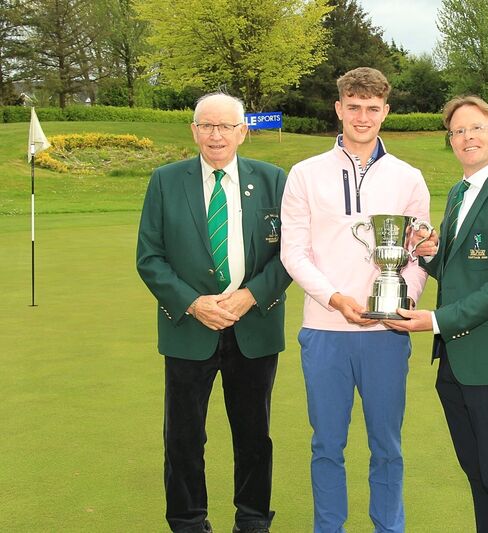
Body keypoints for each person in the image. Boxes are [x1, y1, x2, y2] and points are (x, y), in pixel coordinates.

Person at [279, 67, 430, 533]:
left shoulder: (408, 177)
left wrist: (397, 307)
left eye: (372, 108)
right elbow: (293, 252)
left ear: (385, 111)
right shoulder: (305, 174)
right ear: (339, 108)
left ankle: (389, 527)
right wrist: (336, 298)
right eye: (354, 106)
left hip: (386, 335)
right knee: (327, 444)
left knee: (387, 446)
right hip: (325, 331)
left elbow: (418, 253)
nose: (362, 116)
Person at [136, 92, 291, 533]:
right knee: (183, 436)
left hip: (253, 325)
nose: (216, 135)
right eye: (207, 125)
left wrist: (250, 296)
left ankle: (254, 519)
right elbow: (150, 257)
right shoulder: (166, 181)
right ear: (194, 131)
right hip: (190, 326)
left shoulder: (273, 180)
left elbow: (291, 254)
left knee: (253, 434)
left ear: (244, 131)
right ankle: (187, 521)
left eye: (226, 126)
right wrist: (192, 302)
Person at [385, 95, 488, 533]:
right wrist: (431, 255)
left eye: (476, 128)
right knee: (477, 474)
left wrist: (434, 320)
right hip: (454, 359)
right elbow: (458, 271)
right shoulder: (458, 192)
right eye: (458, 131)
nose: (467, 137)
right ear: (450, 140)